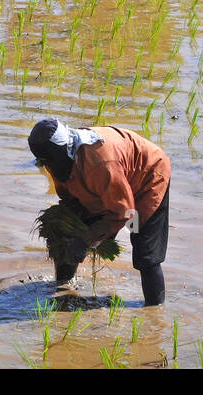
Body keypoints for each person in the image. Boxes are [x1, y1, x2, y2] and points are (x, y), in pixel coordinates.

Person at [28, 118, 171, 306]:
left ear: (66, 150)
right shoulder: (56, 157)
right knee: (65, 233)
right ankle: (63, 290)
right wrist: (72, 228)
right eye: (46, 163)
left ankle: (154, 312)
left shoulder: (100, 163)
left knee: (144, 249)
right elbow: (70, 199)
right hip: (112, 185)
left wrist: (86, 240)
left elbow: (125, 212)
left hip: (147, 178)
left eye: (53, 162)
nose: (51, 168)